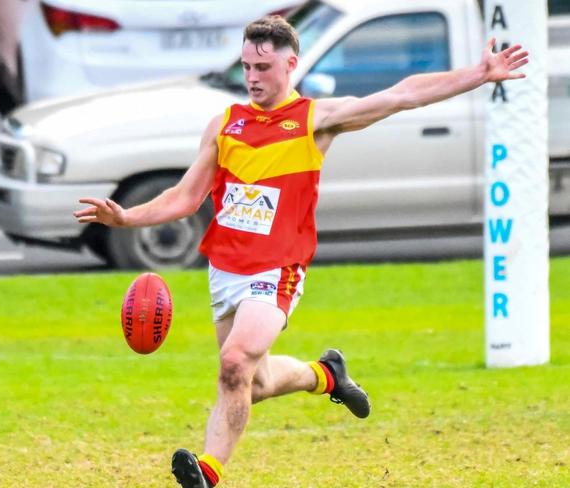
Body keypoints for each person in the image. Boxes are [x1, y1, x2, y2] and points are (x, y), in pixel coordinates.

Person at [74, 15, 528, 487]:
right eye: (247, 66)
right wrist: (125, 217)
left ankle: (208, 472)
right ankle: (326, 374)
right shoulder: (224, 125)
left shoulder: (315, 121)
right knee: (256, 382)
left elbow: (402, 95)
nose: (252, 77)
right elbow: (187, 197)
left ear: (290, 64)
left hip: (278, 267)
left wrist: (477, 75)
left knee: (233, 364)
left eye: (263, 67)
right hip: (226, 268)